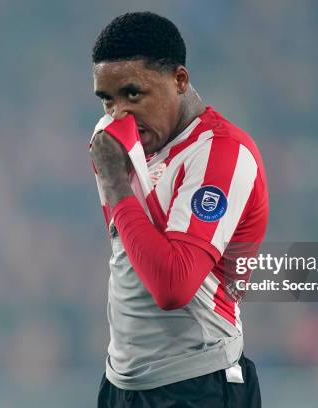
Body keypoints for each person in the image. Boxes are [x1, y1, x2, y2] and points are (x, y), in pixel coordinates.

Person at [89, 11, 268, 407]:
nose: (118, 114)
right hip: (121, 385)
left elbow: (173, 287)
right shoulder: (114, 139)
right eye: (107, 99)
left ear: (180, 80)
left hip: (197, 385)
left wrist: (117, 183)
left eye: (133, 94)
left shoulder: (222, 154)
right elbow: (128, 255)